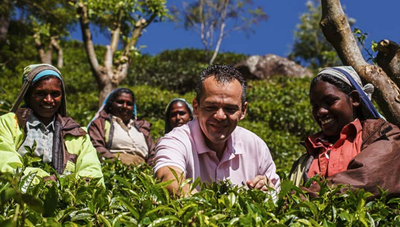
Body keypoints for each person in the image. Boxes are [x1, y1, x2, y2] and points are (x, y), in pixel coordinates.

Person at [154, 65, 280, 196]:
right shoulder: (175, 140)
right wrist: (202, 211)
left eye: (230, 109)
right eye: (211, 107)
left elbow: (277, 197)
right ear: (196, 108)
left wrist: (268, 190)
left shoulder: (256, 147)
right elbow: (168, 176)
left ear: (243, 111)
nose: (220, 116)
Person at [289, 66, 400, 199]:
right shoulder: (305, 160)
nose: (320, 112)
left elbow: (366, 178)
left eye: (330, 102)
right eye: (315, 107)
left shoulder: (384, 135)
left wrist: (303, 198)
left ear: (354, 99)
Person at [0, 64, 103, 182]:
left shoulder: (77, 134)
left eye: (55, 94)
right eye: (40, 93)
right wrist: (41, 180)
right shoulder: (8, 123)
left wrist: (69, 184)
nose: (48, 100)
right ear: (27, 96)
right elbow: (5, 164)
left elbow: (92, 171)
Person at [88, 88, 155, 166]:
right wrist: (116, 163)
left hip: (143, 172)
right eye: (120, 102)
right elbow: (97, 147)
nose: (124, 106)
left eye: (129, 104)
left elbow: (152, 153)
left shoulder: (142, 128)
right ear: (110, 105)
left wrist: (150, 169)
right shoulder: (100, 124)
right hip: (114, 168)